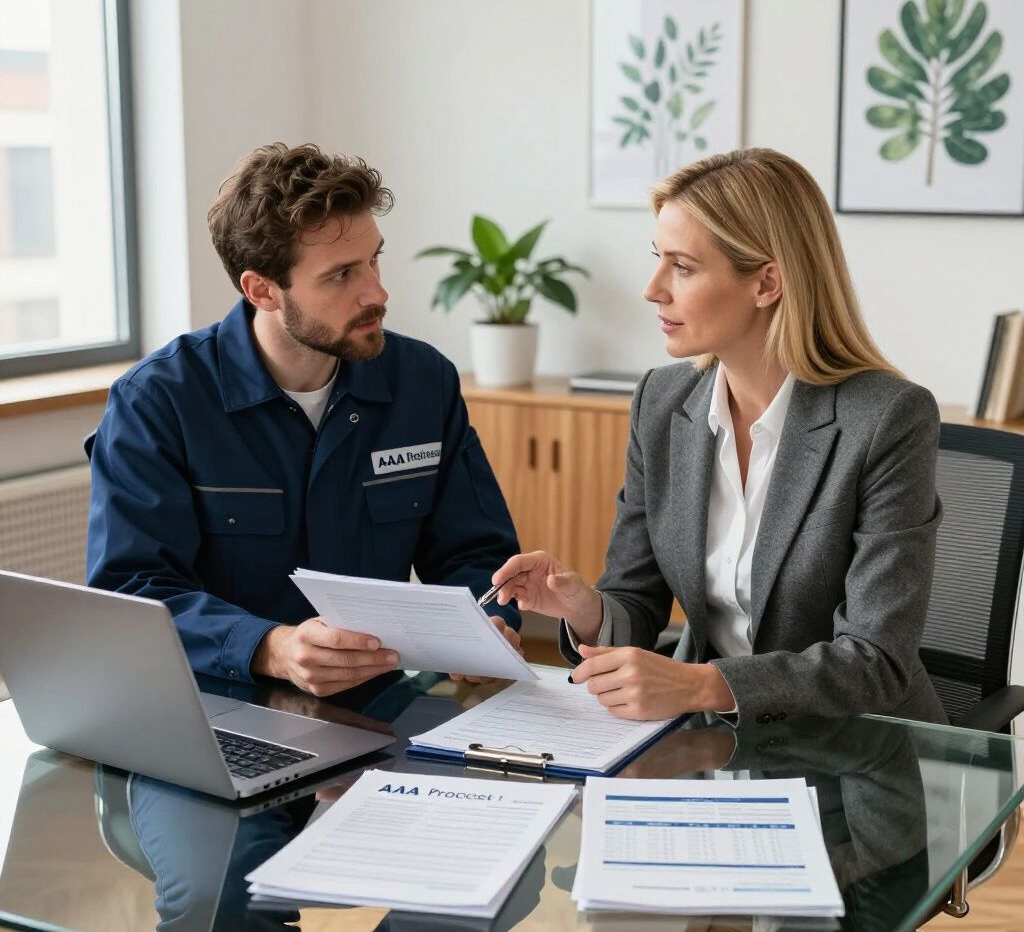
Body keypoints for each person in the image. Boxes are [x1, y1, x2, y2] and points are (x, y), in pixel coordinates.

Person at [489, 147, 946, 725]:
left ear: (766, 284)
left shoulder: (886, 418)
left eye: (682, 267)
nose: (652, 288)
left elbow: (876, 663)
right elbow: (638, 602)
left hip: (855, 752)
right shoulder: (662, 402)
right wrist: (585, 609)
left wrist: (700, 684)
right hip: (712, 739)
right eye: (658, 259)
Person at [86, 142, 520, 697]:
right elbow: (134, 589)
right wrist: (270, 648)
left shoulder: (423, 381)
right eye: (340, 276)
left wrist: (484, 625)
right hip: (216, 705)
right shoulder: (157, 401)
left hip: (382, 704)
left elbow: (475, 553)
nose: (378, 293)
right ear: (262, 290)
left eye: (374, 260)